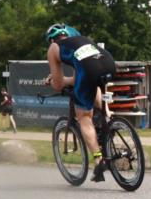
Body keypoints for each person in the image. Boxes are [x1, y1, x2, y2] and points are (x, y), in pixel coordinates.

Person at [42, 23, 116, 181]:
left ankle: (98, 160)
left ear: (51, 40)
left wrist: (51, 80)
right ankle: (109, 118)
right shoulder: (81, 40)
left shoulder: (54, 48)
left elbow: (58, 85)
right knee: (92, 82)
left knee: (84, 117)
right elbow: (78, 78)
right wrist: (65, 80)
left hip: (89, 69)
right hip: (109, 63)